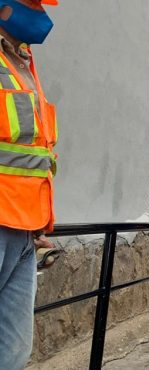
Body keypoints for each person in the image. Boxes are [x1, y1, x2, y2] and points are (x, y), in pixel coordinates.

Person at [0, 1, 59, 369]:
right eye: (31, 4)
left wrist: (39, 220)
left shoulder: (22, 63)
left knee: (14, 351)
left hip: (24, 229)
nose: (40, 12)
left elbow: (36, 157)